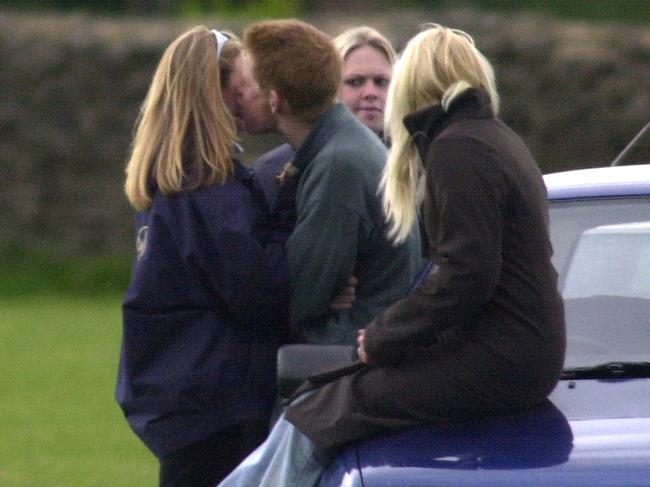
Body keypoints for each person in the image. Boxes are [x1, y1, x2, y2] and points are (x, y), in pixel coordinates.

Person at [217, 23, 566, 487]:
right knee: (321, 396)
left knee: (326, 407)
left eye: (389, 79)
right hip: (516, 353)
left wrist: (383, 336)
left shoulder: (458, 149)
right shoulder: (490, 139)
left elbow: (466, 274)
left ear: (412, 82)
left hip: (501, 357)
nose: (381, 92)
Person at [114, 26, 290, 487]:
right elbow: (257, 290)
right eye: (243, 85)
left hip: (184, 401)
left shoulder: (169, 183)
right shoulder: (207, 186)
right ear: (218, 93)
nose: (251, 96)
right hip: (217, 404)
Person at [237, 19, 422, 346]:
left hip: (347, 362)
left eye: (251, 85)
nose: (240, 96)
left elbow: (299, 295)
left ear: (276, 100)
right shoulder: (340, 146)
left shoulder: (338, 166)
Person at [251, 25, 396, 209]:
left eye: (381, 82)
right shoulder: (272, 170)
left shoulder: (412, 163)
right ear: (329, 85)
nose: (370, 93)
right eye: (355, 82)